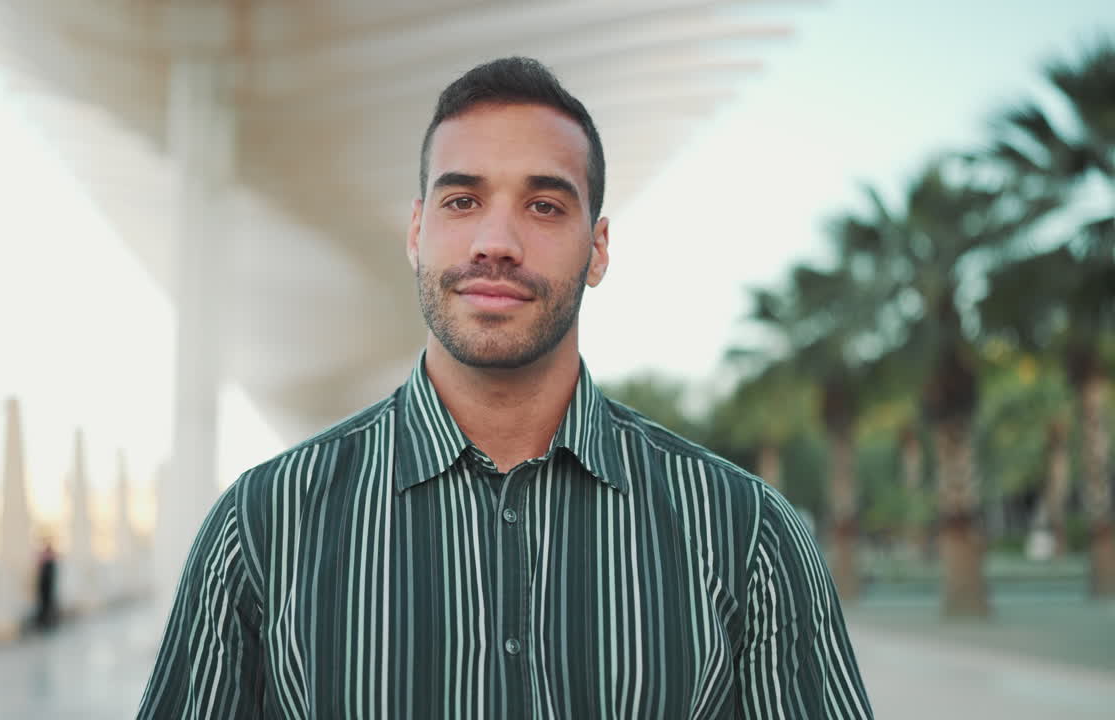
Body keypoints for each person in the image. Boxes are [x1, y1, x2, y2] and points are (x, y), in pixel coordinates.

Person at [137, 57, 874, 719]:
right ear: (416, 232)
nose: (496, 241)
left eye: (545, 205)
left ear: (600, 248)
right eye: (462, 202)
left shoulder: (747, 534)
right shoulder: (264, 528)